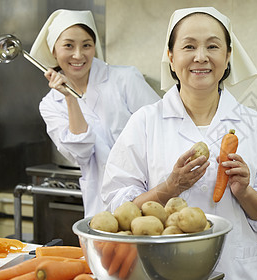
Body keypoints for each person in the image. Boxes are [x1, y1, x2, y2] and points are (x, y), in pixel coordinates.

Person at [102, 7, 257, 280]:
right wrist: (170, 187)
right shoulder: (145, 123)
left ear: (227, 57)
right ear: (172, 58)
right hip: (161, 276)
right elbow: (118, 209)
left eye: (212, 46)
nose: (201, 56)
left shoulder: (256, 125)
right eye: (189, 46)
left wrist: (244, 192)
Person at [30, 9, 160, 217]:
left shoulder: (125, 79)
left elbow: (162, 128)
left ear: (95, 47)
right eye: (68, 45)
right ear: (54, 50)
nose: (78, 55)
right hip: (102, 204)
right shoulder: (51, 104)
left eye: (86, 45)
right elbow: (81, 152)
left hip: (151, 194)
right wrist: (70, 98)